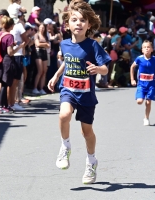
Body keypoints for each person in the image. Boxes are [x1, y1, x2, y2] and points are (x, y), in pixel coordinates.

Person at [47, 0, 111, 184]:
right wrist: (56, 76)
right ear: (68, 24)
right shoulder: (65, 44)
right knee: (63, 115)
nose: (79, 23)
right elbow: (68, 61)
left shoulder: (93, 46)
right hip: (68, 89)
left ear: (89, 24)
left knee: (86, 131)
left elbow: (106, 68)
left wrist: (99, 70)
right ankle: (65, 146)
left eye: (83, 20)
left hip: (86, 94)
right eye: (74, 20)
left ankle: (91, 161)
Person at [0, 16, 25, 114]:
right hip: (7, 61)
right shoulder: (9, 36)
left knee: (3, 83)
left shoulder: (0, 34)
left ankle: (2, 104)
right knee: (5, 83)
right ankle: (2, 106)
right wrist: (19, 47)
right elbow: (10, 52)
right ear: (11, 26)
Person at [130, 40, 155, 126]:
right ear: (142, 50)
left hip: (151, 84)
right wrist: (132, 79)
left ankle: (146, 118)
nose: (147, 49)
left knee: (148, 102)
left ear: (152, 49)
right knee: (139, 101)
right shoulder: (139, 59)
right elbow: (132, 67)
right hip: (141, 84)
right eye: (145, 47)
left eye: (148, 47)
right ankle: (141, 96)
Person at [33, 22, 50, 95]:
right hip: (38, 52)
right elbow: (37, 44)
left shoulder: (45, 36)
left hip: (44, 52)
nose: (42, 29)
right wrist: (45, 44)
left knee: (44, 71)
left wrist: (45, 45)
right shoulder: (36, 35)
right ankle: (35, 87)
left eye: (43, 27)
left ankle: (41, 87)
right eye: (41, 27)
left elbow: (48, 45)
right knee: (40, 71)